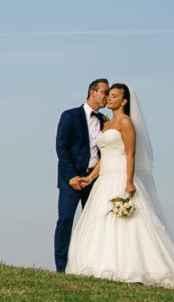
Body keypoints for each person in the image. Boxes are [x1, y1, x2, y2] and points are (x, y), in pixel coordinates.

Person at [65, 84, 174, 289]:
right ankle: (99, 265)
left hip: (119, 178)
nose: (109, 98)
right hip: (103, 180)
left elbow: (129, 154)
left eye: (114, 96)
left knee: (127, 224)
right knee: (99, 224)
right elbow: (104, 156)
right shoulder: (106, 124)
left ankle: (133, 268)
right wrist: (90, 178)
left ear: (124, 102)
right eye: (108, 95)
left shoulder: (126, 123)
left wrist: (128, 181)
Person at [53, 78, 109, 272]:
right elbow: (61, 147)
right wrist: (71, 177)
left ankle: (88, 266)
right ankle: (61, 267)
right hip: (71, 180)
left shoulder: (105, 121)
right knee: (66, 219)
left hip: (94, 180)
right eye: (104, 92)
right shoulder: (70, 116)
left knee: (93, 224)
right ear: (93, 92)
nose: (107, 96)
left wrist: (93, 176)